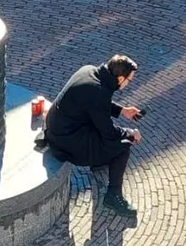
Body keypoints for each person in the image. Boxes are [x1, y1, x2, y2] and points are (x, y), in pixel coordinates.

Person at [44, 54, 142, 216]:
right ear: (120, 79)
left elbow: (96, 103)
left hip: (58, 127)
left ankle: (99, 161)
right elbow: (109, 132)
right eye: (129, 80)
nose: (128, 83)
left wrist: (122, 111)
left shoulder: (89, 71)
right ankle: (113, 196)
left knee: (105, 135)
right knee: (123, 144)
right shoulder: (99, 92)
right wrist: (130, 133)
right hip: (66, 140)